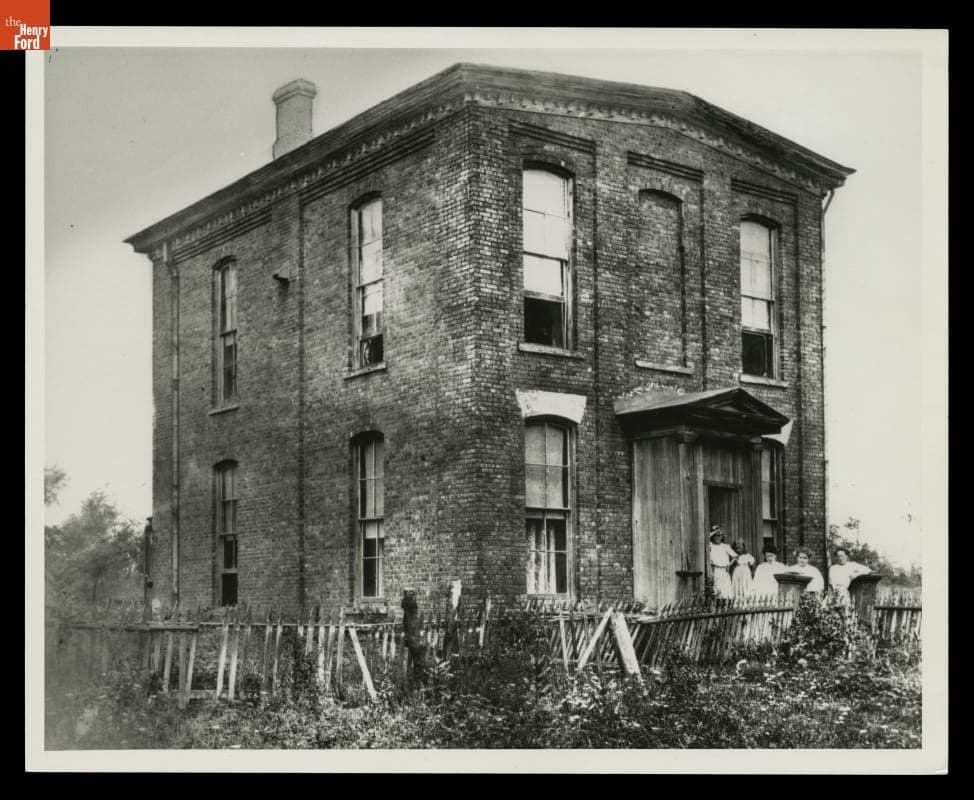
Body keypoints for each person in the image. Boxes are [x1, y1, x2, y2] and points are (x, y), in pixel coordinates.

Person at [708, 525, 737, 598]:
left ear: (722, 537)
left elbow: (735, 556)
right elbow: (705, 538)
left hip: (724, 571)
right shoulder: (711, 545)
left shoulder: (725, 546)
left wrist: (729, 565)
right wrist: (715, 531)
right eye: (715, 536)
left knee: (726, 591)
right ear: (713, 537)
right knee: (717, 590)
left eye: (719, 536)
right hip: (715, 570)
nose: (717, 537)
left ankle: (726, 606)